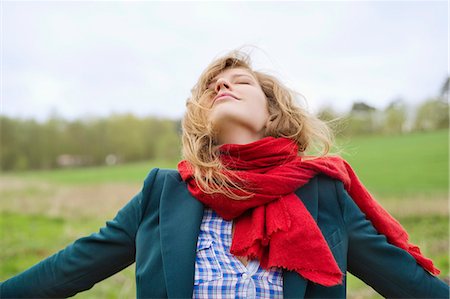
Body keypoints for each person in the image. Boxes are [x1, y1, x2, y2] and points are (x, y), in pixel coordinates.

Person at [1, 49, 449, 299]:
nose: (222, 85)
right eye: (213, 86)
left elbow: (408, 284)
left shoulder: (324, 194)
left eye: (241, 82)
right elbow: (69, 268)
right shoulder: (163, 192)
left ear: (272, 114)